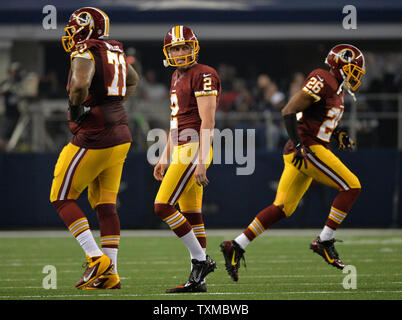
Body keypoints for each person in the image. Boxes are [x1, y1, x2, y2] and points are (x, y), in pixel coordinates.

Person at [220, 44, 366, 281]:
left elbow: (319, 117)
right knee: (352, 186)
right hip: (307, 148)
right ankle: (325, 239)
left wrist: (337, 133)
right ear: (339, 64)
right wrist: (299, 145)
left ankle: (236, 245)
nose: (356, 74)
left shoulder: (336, 89)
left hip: (307, 147)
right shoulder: (323, 79)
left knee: (282, 208)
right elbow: (289, 110)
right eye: (353, 68)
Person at [50, 7, 139, 289]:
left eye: (73, 27)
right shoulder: (113, 49)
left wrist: (76, 108)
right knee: (105, 206)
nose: (70, 32)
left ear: (85, 28)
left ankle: (94, 258)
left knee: (61, 197)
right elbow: (133, 80)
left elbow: (79, 84)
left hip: (95, 135)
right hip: (121, 133)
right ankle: (110, 273)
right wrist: (113, 106)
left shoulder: (85, 51)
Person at [153, 25, 221, 293]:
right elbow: (175, 122)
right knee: (192, 215)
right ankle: (198, 281)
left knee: (162, 206)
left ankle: (202, 262)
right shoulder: (175, 77)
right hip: (182, 146)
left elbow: (208, 120)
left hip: (194, 147)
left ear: (194, 47)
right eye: (175, 48)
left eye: (184, 47)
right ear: (168, 52)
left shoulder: (204, 74)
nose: (180, 53)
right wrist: (164, 155)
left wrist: (202, 158)